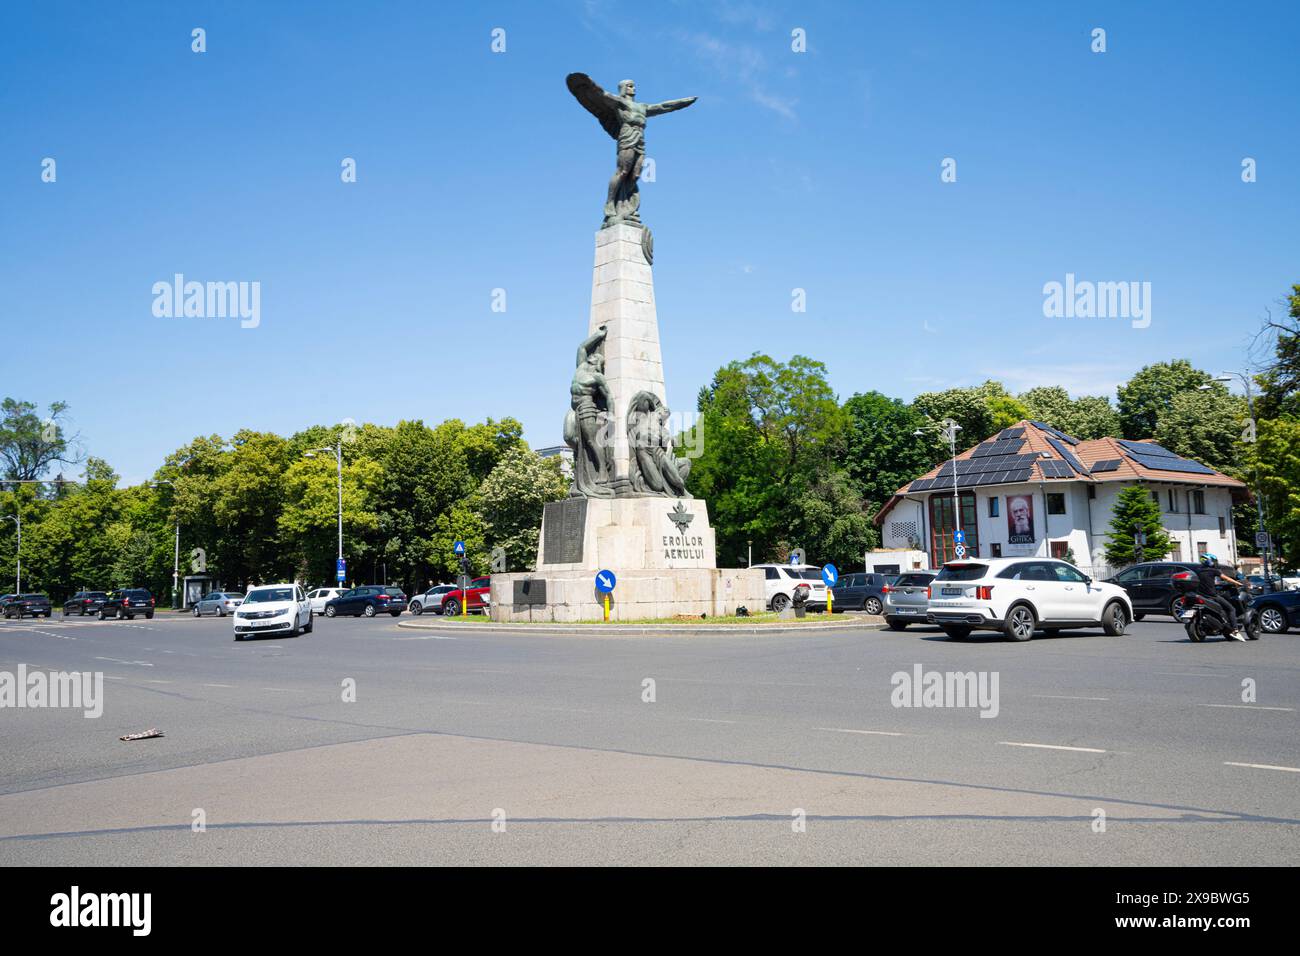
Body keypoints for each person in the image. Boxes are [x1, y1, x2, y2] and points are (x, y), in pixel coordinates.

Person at [1195, 553, 1246, 641]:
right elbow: (1226, 578)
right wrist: (1238, 583)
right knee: (1231, 609)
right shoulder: (1213, 571)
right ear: (1209, 561)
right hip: (1212, 596)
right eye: (1213, 561)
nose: (1214, 563)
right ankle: (1235, 630)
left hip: (1201, 595)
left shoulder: (1198, 571)